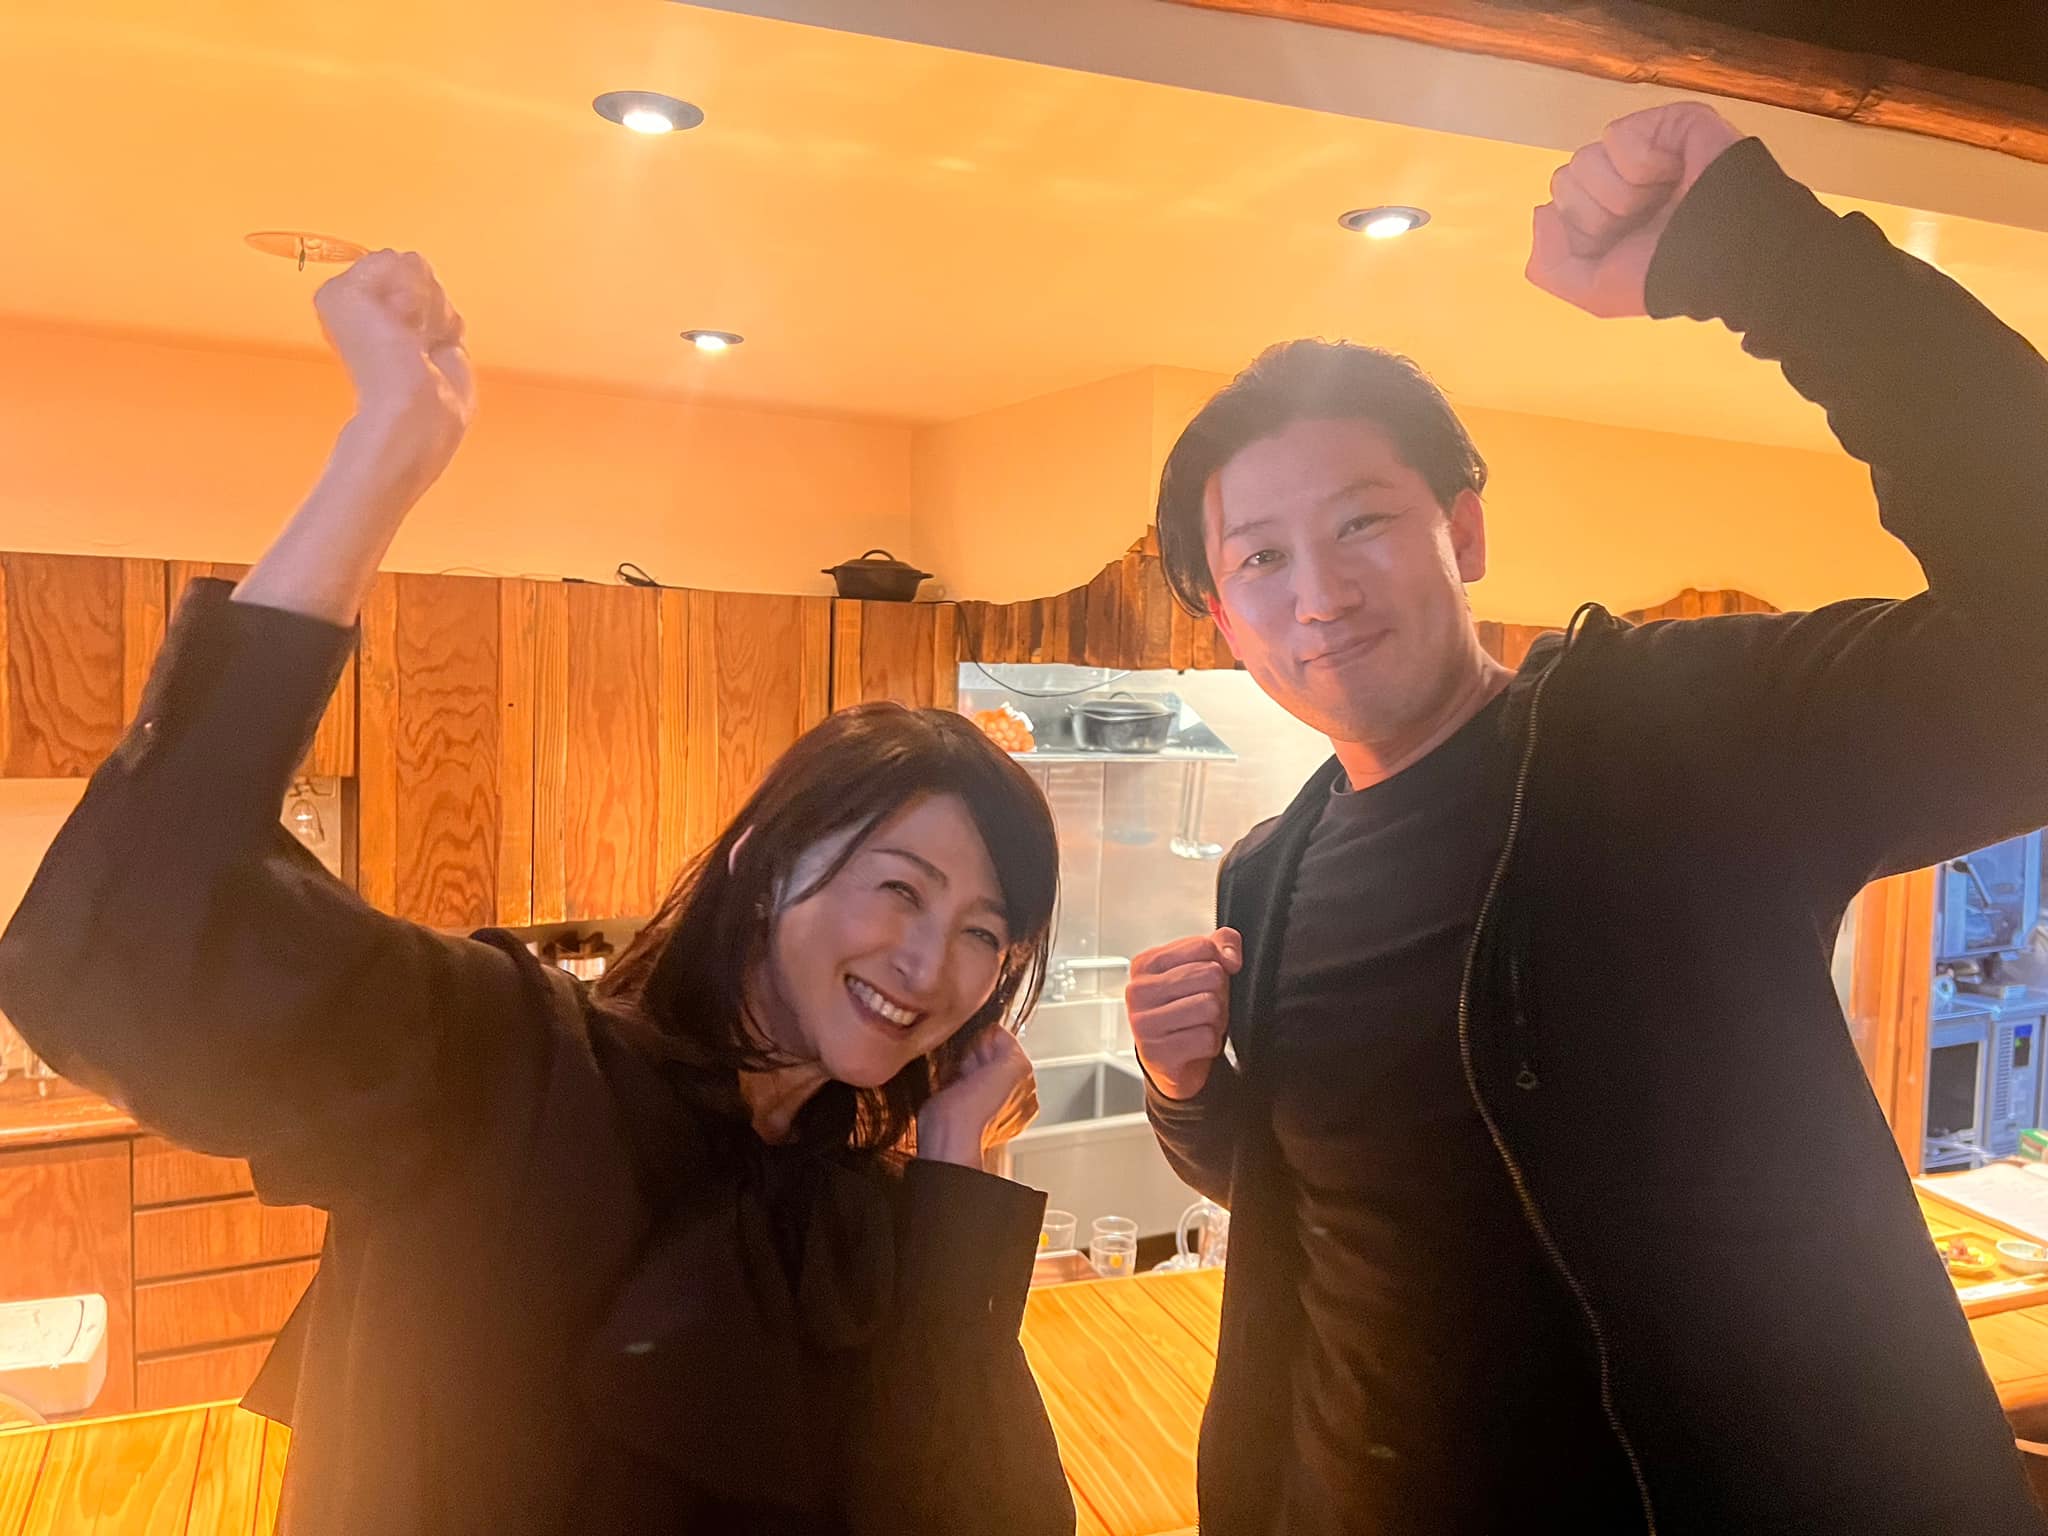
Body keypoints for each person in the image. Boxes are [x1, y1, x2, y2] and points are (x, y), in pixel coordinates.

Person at [0, 252, 1076, 1536]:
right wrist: (382, 459)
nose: (930, 962)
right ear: (761, 860)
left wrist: (954, 1166)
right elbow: (122, 947)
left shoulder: (857, 1213)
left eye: (981, 935)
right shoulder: (501, 1064)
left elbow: (980, 1514)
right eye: (901, 887)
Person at [1127, 99, 2048, 1534]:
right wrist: (1190, 1098)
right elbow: (1336, 1189)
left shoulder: (1671, 738)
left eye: (1363, 521)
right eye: (1260, 558)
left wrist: (1765, 256)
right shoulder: (1270, 874)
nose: (1320, 594)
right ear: (1220, 618)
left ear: (1463, 530)